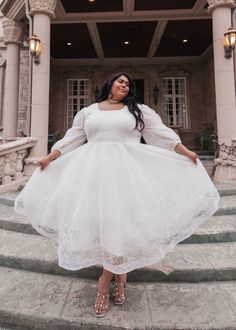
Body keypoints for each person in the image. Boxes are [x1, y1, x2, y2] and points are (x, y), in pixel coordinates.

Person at [14, 72, 220, 318]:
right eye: (120, 81)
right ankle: (120, 275)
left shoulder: (137, 110)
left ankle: (105, 283)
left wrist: (186, 152)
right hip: (93, 174)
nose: (124, 85)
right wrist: (50, 156)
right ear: (109, 84)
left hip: (128, 173)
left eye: (128, 83)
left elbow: (161, 134)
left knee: (121, 223)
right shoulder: (89, 111)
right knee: (104, 224)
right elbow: (73, 138)